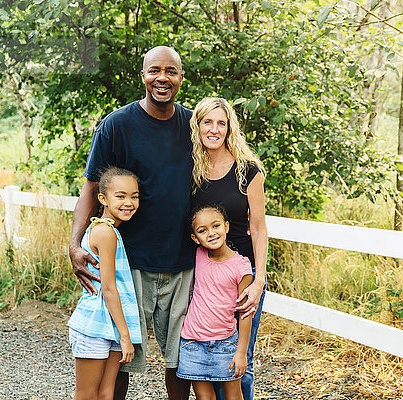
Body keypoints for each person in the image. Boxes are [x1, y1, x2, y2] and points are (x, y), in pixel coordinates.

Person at [68, 46, 194, 400]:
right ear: (143, 75)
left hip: (183, 260)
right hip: (129, 262)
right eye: (155, 70)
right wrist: (75, 244)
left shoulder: (193, 125)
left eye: (171, 71)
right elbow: (92, 187)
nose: (163, 78)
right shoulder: (116, 126)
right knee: (120, 357)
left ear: (181, 78)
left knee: (179, 360)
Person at [190, 97, 268, 400]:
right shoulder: (191, 170)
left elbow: (258, 227)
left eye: (221, 123)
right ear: (197, 126)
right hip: (205, 279)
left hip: (242, 278)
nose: (214, 129)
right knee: (206, 359)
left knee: (240, 360)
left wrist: (259, 279)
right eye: (207, 122)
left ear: (229, 127)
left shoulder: (248, 170)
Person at [68, 166, 143, 400]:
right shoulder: (105, 232)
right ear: (103, 199)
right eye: (120, 196)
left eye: (134, 196)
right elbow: (109, 289)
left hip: (109, 324)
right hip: (95, 324)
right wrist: (125, 336)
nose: (128, 202)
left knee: (106, 393)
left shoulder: (112, 231)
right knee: (88, 394)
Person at [176, 204, 253, 400]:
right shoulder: (198, 255)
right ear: (195, 238)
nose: (211, 233)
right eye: (202, 230)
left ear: (226, 226)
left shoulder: (241, 266)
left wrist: (242, 352)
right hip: (192, 342)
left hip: (225, 343)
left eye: (216, 226)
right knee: (204, 397)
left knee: (233, 395)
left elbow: (245, 312)